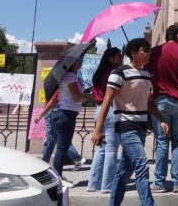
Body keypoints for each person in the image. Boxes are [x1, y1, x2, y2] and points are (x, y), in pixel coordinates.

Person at [91, 38, 169, 206]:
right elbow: (106, 101)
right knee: (141, 164)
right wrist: (98, 128)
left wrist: (161, 119)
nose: (148, 54)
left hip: (140, 127)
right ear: (133, 53)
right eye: (144, 50)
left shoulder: (146, 74)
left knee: (123, 172)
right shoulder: (119, 73)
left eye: (149, 51)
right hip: (126, 126)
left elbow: (148, 102)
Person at [148, 25, 178, 193]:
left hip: (160, 101)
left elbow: (146, 73)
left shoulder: (154, 52)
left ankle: (159, 183)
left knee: (162, 143)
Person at [87, 47, 123, 193]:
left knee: (101, 149)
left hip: (99, 109)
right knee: (111, 149)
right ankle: (107, 185)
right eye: (118, 56)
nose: (121, 58)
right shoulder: (114, 72)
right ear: (111, 58)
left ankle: (93, 184)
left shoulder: (99, 72)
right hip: (109, 110)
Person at [51, 57, 90, 181]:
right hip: (66, 114)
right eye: (79, 61)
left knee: (63, 147)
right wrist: (87, 96)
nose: (81, 63)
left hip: (63, 113)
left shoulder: (67, 76)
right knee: (63, 148)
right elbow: (76, 97)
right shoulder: (71, 77)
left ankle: (58, 176)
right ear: (73, 63)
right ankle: (58, 178)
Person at [35, 88, 85, 169]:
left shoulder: (60, 84)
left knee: (56, 139)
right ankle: (44, 163)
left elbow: (53, 100)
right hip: (55, 111)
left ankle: (76, 158)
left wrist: (41, 114)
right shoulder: (66, 84)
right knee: (53, 139)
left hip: (52, 111)